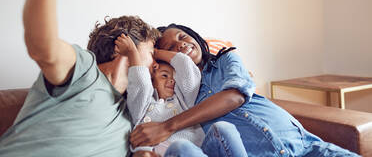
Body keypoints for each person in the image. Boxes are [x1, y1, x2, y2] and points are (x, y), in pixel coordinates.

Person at [0, 0, 160, 156]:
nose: (156, 64)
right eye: (152, 53)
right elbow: (44, 49)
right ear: (125, 46)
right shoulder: (85, 70)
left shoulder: (133, 118)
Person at [130, 24, 361, 157]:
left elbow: (235, 95)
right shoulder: (183, 94)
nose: (180, 45)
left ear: (197, 39)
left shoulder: (225, 59)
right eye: (171, 47)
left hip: (306, 147)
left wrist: (167, 126)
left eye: (183, 37)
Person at [115, 34, 248, 157]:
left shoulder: (183, 100)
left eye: (174, 77)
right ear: (152, 80)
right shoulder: (142, 106)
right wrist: (133, 52)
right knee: (180, 147)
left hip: (203, 151)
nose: (172, 80)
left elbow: (186, 66)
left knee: (223, 127)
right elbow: (140, 84)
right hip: (172, 152)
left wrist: (157, 53)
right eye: (164, 75)